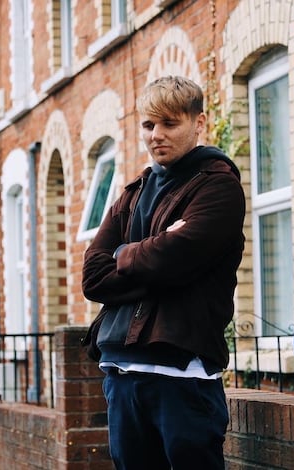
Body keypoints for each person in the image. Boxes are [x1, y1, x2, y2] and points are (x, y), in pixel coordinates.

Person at [81, 75, 246, 470]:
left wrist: (127, 254)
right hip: (122, 377)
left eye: (169, 124)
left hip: (183, 379)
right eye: (148, 125)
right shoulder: (134, 191)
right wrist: (144, 252)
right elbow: (92, 276)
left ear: (199, 123)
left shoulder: (218, 187)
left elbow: (175, 260)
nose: (156, 135)